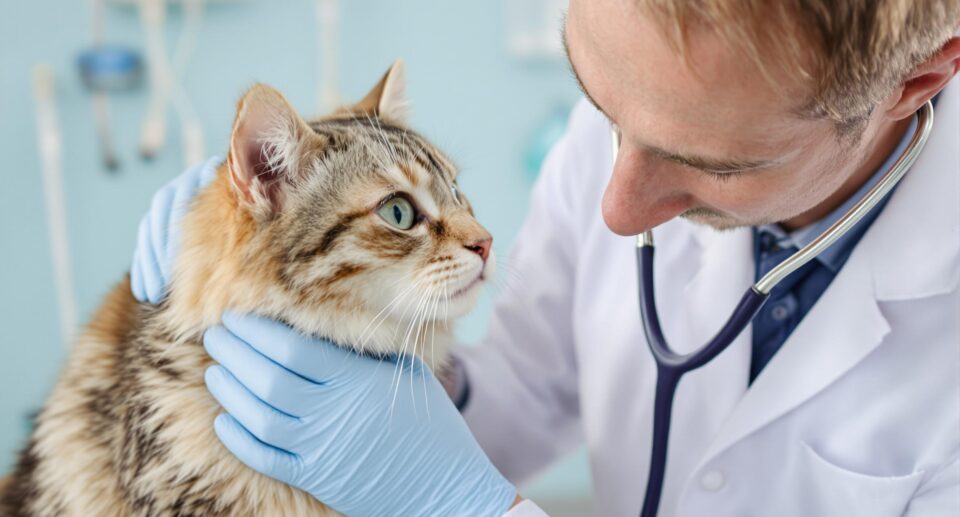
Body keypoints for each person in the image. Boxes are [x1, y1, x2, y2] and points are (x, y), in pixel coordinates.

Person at [132, 1, 960, 515]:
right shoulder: (650, 116)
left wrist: (465, 508)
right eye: (601, 104)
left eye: (711, 164)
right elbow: (526, 391)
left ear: (915, 84)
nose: (617, 205)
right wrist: (402, 371)